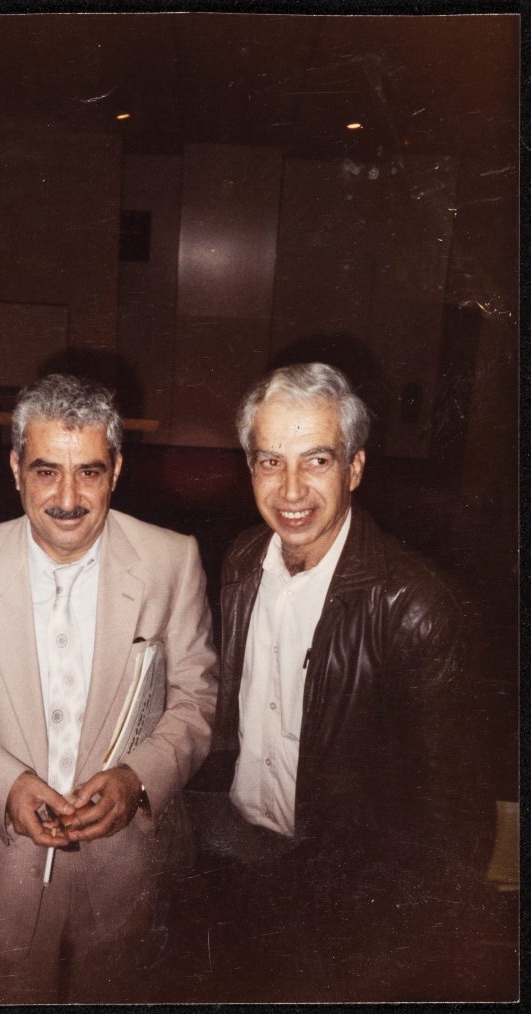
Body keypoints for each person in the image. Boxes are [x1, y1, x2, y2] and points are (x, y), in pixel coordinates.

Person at [0, 373, 218, 1004]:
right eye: (46, 471)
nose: (68, 498)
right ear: (16, 468)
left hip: (125, 866)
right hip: (0, 866)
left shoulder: (170, 562)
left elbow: (197, 698)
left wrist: (138, 780)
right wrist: (4, 786)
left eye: (89, 472)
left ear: (115, 470)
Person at [187, 362, 494, 1002]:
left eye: (317, 461)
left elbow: (454, 819)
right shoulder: (243, 559)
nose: (291, 489)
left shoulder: (417, 609)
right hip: (240, 859)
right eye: (270, 462)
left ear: (354, 468)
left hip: (349, 894)